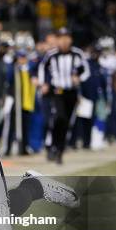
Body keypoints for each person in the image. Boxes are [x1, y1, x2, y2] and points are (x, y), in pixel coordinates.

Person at [37, 29, 90, 164]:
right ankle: (53, 145)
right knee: (59, 118)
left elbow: (86, 70)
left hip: (71, 92)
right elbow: (42, 68)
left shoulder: (77, 53)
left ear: (70, 39)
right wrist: (43, 84)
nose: (64, 41)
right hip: (58, 91)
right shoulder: (52, 55)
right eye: (61, 38)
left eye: (66, 37)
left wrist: (79, 78)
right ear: (58, 40)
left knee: (66, 122)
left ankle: (59, 150)